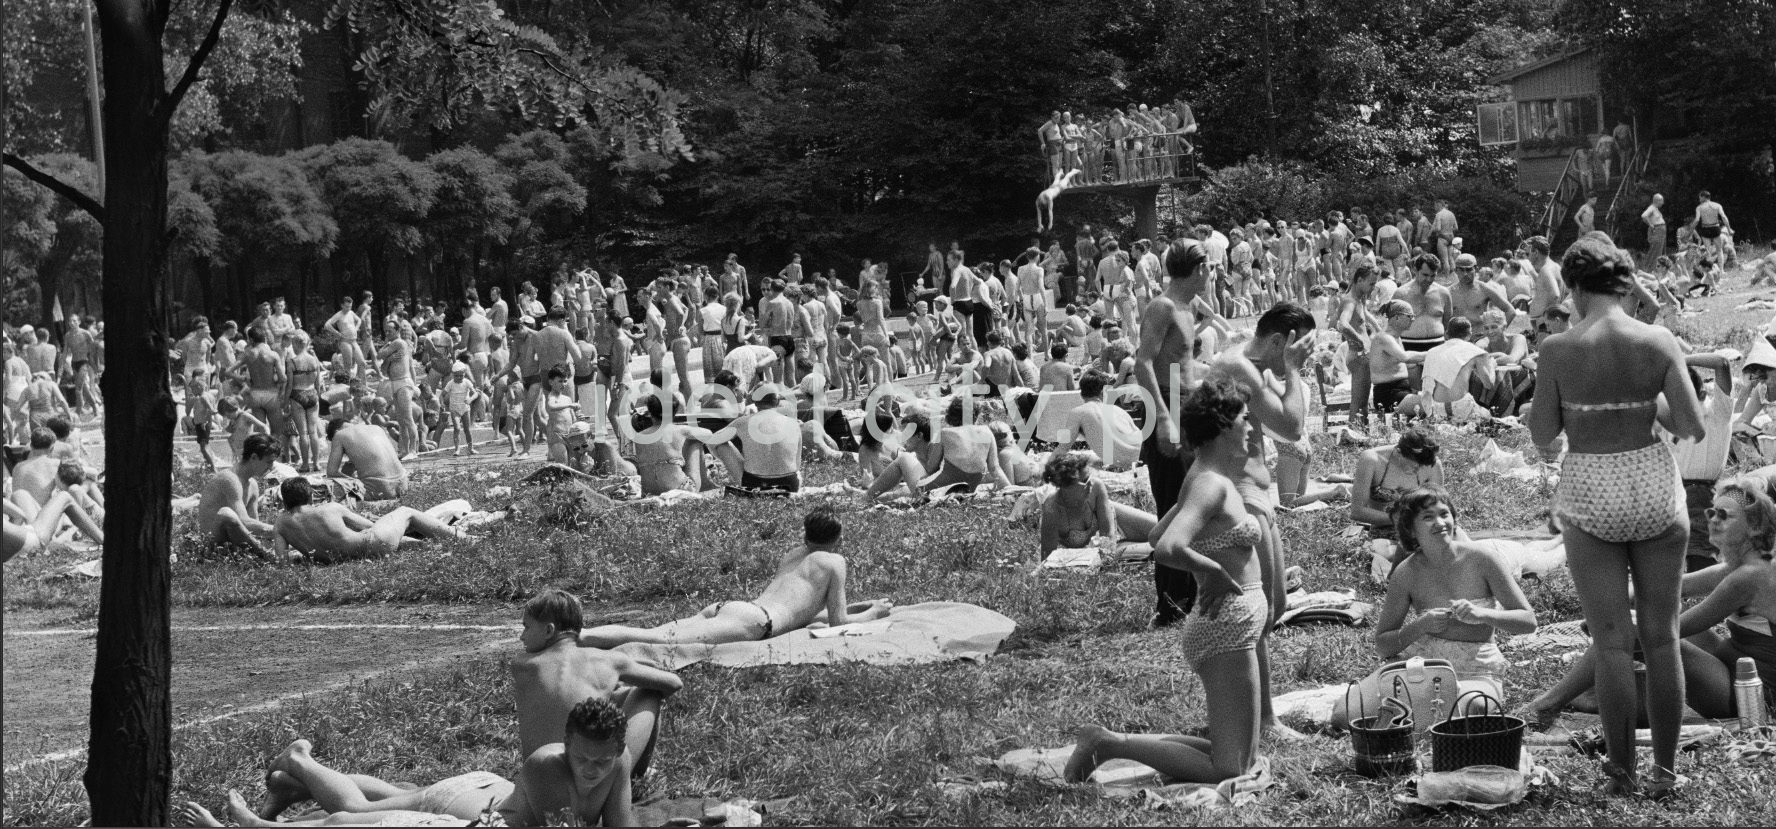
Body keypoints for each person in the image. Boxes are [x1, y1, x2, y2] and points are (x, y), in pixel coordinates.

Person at [1528, 236, 1706, 797]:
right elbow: (1691, 426)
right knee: (1662, 636)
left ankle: (1622, 774)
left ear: (1574, 287)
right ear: (1626, 284)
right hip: (1652, 481)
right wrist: (1643, 402)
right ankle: (1666, 772)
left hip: (1590, 484)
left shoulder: (1558, 348)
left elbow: (1542, 433)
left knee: (1610, 642)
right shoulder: (1657, 339)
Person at [1065, 378, 1268, 785]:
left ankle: (1108, 741)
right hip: (1225, 627)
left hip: (1232, 623)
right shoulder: (1210, 483)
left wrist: (1210, 561)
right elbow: (1169, 547)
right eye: (1245, 418)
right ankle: (1107, 744)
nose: (1252, 426)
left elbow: (1158, 533)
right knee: (1230, 770)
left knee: (1240, 759)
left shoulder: (1206, 476)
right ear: (1223, 424)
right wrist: (1214, 571)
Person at [1522, 476, 1776, 733]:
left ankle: (1548, 703)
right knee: (1645, 617)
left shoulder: (1750, 576)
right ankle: (1590, 693)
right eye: (1711, 512)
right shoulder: (1737, 567)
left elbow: (1670, 631)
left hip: (1751, 693)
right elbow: (1658, 589)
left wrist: (1612, 622)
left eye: (1724, 515)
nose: (1713, 520)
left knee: (1636, 632)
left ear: (1754, 528)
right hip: (1732, 664)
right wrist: (1610, 608)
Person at [1332, 486, 1538, 728]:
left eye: (1444, 514)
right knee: (1343, 715)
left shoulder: (1482, 559)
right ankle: (1408, 714)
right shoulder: (1406, 572)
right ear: (1411, 529)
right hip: (1420, 666)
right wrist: (1420, 626)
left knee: (1468, 708)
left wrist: (1483, 614)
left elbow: (1528, 622)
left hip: (1475, 668)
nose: (1440, 523)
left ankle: (1405, 717)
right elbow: (1383, 645)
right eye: (1428, 517)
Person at [1205, 302, 1316, 739]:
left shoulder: (1250, 365)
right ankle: (1262, 718)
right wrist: (1294, 370)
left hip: (1255, 490)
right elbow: (1291, 426)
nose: (1306, 355)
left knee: (1274, 607)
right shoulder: (1238, 367)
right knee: (1257, 614)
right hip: (1239, 493)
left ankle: (1255, 712)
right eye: (1301, 347)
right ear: (1279, 341)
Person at [581, 507, 893, 647]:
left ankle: (581, 635)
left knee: (655, 633)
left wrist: (861, 606)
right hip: (756, 622)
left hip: (737, 609)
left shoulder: (794, 554)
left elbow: (804, 610)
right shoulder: (834, 562)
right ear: (837, 539)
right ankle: (577, 636)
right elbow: (838, 622)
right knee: (658, 640)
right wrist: (874, 613)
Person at [1136, 240, 1211, 626]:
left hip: (1185, 404)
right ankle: (1170, 606)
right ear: (1198, 269)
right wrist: (1164, 419)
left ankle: (1194, 595)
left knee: (1195, 499)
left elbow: (1181, 362)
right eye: (1208, 267)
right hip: (1165, 405)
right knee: (1173, 503)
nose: (1211, 274)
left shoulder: (1188, 306)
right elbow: (1143, 363)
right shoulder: (1163, 306)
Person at [272, 478, 471, 564]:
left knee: (386, 538)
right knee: (405, 512)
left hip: (341, 559)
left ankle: (428, 546)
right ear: (310, 496)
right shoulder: (330, 508)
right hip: (371, 546)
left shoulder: (280, 524)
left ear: (285, 501)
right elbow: (370, 527)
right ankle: (466, 539)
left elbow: (282, 561)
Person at [1038, 451, 1157, 555]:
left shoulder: (1097, 487)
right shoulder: (1052, 508)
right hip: (1104, 549)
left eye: (1090, 478)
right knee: (1157, 549)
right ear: (1066, 487)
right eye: (1085, 481)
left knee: (1162, 531)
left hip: (1115, 521)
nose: (1091, 483)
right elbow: (1047, 555)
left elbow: (1108, 536)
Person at [196, 434, 283, 559]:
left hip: (233, 545)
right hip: (212, 545)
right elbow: (244, 522)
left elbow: (253, 525)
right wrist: (281, 530)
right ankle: (267, 556)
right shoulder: (229, 479)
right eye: (268, 462)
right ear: (253, 457)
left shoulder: (252, 485)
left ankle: (268, 554)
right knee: (226, 514)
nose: (271, 467)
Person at [1063, 368, 1144, 471]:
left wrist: (1045, 468)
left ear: (1081, 394)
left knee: (1079, 458)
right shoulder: (1119, 410)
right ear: (1103, 392)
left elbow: (1063, 448)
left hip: (1122, 463)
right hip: (1143, 457)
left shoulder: (1077, 412)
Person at [1335, 266, 1381, 431]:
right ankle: (1353, 435)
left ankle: (1362, 433)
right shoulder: (1350, 301)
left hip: (1363, 355)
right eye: (1371, 284)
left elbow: (1365, 314)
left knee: (1363, 401)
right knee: (1358, 401)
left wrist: (1379, 330)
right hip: (1358, 355)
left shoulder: (1360, 297)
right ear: (1359, 280)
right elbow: (1342, 324)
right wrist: (1359, 340)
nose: (1373, 288)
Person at [1369, 300, 1429, 420]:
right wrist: (1433, 354)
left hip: (1401, 391)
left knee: (1438, 400)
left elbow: (1406, 362)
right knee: (1435, 406)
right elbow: (1405, 357)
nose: (1413, 319)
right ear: (1396, 317)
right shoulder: (1385, 338)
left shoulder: (1395, 337)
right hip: (1389, 394)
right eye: (1409, 316)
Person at [325, 418, 409, 500]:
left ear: (336, 432)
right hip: (403, 485)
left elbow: (331, 472)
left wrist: (351, 478)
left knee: (329, 484)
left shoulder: (339, 435)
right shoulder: (376, 428)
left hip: (378, 489)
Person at [1693, 190, 1730, 261]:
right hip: (1715, 228)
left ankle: (1709, 266)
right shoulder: (1717, 205)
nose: (1699, 199)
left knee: (1708, 252)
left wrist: (1691, 230)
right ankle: (1721, 268)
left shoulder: (1699, 207)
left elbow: (1697, 220)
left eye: (1700, 198)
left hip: (1705, 228)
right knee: (1719, 251)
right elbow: (1724, 217)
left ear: (1703, 197)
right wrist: (1729, 229)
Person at [1641, 194, 1668, 269]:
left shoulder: (1656, 209)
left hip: (1660, 232)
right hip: (1657, 232)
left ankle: (1656, 267)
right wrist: (1650, 225)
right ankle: (1649, 267)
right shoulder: (1652, 208)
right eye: (1662, 201)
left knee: (1659, 251)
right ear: (1657, 201)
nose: (1663, 203)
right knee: (1655, 250)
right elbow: (1644, 216)